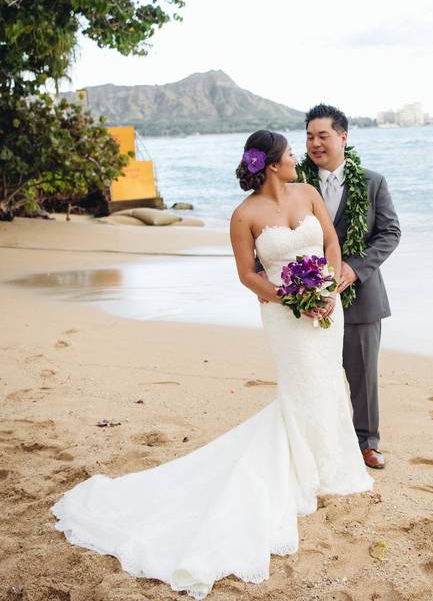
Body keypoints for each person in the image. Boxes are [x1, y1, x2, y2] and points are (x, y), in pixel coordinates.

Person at [50, 130, 373, 599]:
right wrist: (292, 299)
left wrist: (327, 290)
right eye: (289, 155)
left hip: (327, 304)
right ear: (271, 164)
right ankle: (299, 473)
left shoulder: (307, 194)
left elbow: (331, 245)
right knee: (301, 385)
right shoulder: (243, 215)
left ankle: (332, 467)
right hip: (284, 311)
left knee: (327, 383)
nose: (296, 159)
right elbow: (247, 274)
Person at [300, 104, 400, 469]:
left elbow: (390, 233)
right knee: (314, 373)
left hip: (361, 297)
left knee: (362, 376)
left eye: (323, 136)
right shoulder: (294, 185)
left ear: (343, 137)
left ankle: (367, 443)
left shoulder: (372, 182)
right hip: (309, 297)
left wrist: (354, 269)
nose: (315, 143)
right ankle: (320, 441)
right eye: (309, 136)